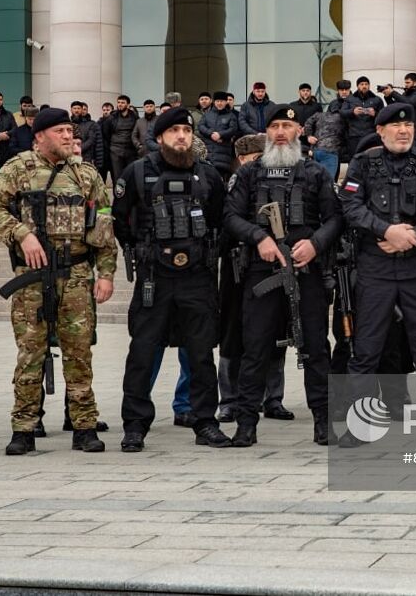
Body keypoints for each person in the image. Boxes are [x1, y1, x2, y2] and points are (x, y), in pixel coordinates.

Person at [0, 108, 117, 456]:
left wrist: (105, 274)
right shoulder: (18, 169)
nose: (69, 136)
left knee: (79, 353)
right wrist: (21, 233)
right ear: (39, 136)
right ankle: (24, 426)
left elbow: (103, 224)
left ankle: (84, 425)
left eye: (70, 130)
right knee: (31, 352)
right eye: (60, 131)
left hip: (75, 275)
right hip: (32, 279)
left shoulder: (85, 174)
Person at [112, 108, 232, 451]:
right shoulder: (137, 173)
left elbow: (219, 222)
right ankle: (135, 426)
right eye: (174, 130)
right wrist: (143, 250)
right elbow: (121, 221)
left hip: (198, 277)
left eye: (186, 130)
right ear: (160, 136)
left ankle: (204, 422)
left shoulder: (208, 175)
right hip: (154, 277)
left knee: (200, 354)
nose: (182, 136)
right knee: (142, 352)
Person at [223, 105, 343, 447]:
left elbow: (335, 219)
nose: (279, 132)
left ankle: (322, 420)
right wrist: (258, 237)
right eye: (274, 125)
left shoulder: (316, 173)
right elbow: (230, 217)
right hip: (262, 271)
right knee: (255, 348)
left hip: (306, 269)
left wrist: (315, 244)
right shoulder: (249, 174)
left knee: (316, 348)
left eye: (286, 125)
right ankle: (246, 423)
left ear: (299, 131)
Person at [336, 103, 416, 448]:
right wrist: (387, 230)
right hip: (376, 271)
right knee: (366, 351)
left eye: (410, 128)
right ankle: (359, 427)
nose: (404, 132)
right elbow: (349, 205)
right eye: (396, 127)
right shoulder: (363, 164)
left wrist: (412, 235)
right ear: (381, 130)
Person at [216, 133, 291, 425]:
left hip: (272, 265)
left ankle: (272, 397)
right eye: (247, 159)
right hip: (238, 267)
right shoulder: (236, 185)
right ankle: (230, 400)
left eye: (258, 158)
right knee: (233, 335)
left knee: (277, 332)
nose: (252, 164)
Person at [306, 80, 349, 179]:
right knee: (329, 180)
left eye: (346, 90)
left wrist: (309, 136)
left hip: (319, 149)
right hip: (333, 150)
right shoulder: (340, 117)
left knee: (319, 179)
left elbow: (308, 122)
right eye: (342, 90)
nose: (344, 92)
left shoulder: (320, 115)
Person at [381, 73, 416, 153]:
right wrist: (387, 96)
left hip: (414, 130)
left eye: (408, 83)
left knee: (414, 153)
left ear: (415, 83)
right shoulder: (405, 94)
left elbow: (410, 103)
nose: (405, 85)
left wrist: (393, 92)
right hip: (403, 128)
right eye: (405, 82)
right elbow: (395, 107)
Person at [197, 91, 239, 180]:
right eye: (217, 101)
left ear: (226, 102)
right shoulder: (207, 115)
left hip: (223, 155)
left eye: (222, 101)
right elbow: (201, 126)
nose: (219, 103)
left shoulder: (231, 116)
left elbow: (233, 129)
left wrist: (220, 135)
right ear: (214, 102)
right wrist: (211, 134)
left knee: (221, 181)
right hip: (207, 154)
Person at [341, 76, 384, 158]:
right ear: (357, 86)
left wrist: (375, 114)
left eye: (366, 84)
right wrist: (353, 111)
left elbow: (384, 116)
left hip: (371, 135)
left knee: (371, 159)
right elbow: (342, 113)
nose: (364, 86)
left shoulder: (377, 99)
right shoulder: (350, 99)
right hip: (354, 136)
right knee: (355, 159)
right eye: (361, 84)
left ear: (369, 85)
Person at [102, 95, 140, 182]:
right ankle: (119, 195)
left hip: (131, 151)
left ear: (128, 105)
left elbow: (137, 133)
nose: (120, 104)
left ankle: (130, 195)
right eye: (118, 102)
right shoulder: (111, 118)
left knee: (131, 176)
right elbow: (106, 134)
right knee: (118, 177)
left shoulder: (134, 117)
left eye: (123, 103)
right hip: (116, 151)